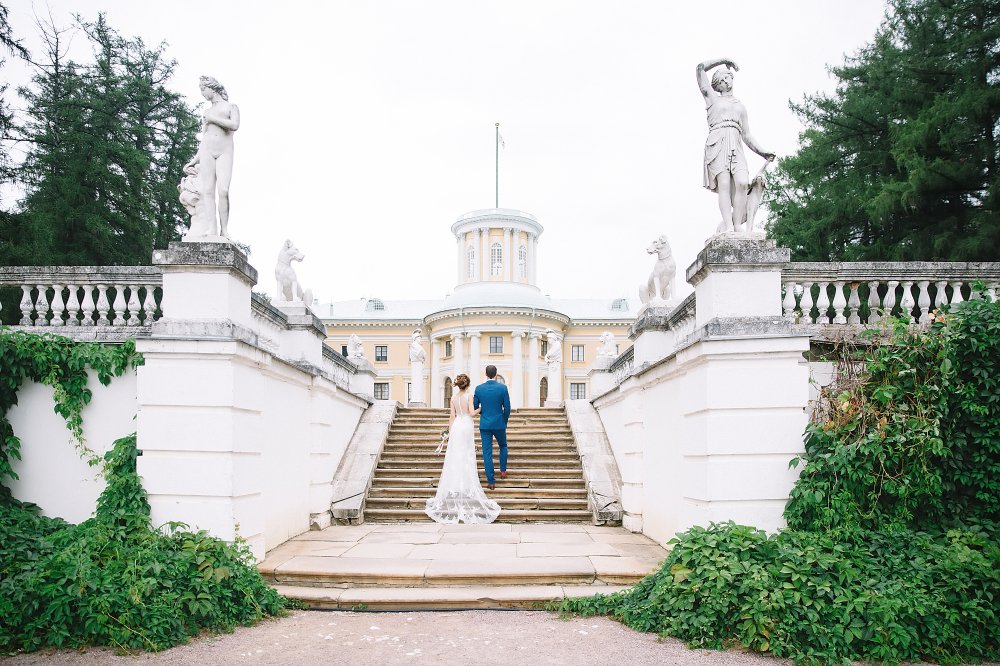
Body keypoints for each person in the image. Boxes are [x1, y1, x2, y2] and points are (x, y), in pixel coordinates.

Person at [696, 58, 775, 233]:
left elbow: (747, 134)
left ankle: (738, 223)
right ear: (716, 85)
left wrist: (763, 152)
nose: (725, 81)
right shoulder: (712, 100)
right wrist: (723, 60)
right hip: (717, 143)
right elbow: (700, 68)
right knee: (724, 184)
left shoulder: (740, 107)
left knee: (742, 183)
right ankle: (729, 226)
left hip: (736, 144)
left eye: (727, 77)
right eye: (720, 80)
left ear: (732, 79)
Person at [424, 374, 501, 524]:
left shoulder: (453, 398)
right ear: (468, 385)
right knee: (467, 455)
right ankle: (465, 484)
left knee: (456, 456)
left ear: (458, 385)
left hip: (457, 426)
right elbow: (472, 413)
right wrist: (481, 408)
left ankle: (455, 485)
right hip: (466, 425)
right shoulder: (469, 396)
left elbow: (452, 416)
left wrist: (449, 432)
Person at [185, 75, 240, 237]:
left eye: (203, 89)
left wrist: (213, 119)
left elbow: (235, 125)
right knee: (207, 191)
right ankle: (212, 228)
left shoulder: (231, 107)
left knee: (223, 190)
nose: (202, 93)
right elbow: (204, 137)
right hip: (207, 150)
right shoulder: (207, 112)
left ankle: (224, 230)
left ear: (212, 88)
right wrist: (194, 160)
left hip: (225, 151)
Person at [473, 364, 511, 490]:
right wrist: (504, 420)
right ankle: (503, 471)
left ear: (486, 374)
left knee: (487, 453)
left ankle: (491, 481)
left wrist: (484, 414)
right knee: (503, 446)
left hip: (485, 424)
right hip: (499, 423)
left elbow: (475, 406)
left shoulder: (478, 389)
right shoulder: (503, 388)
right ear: (495, 374)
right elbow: (507, 408)